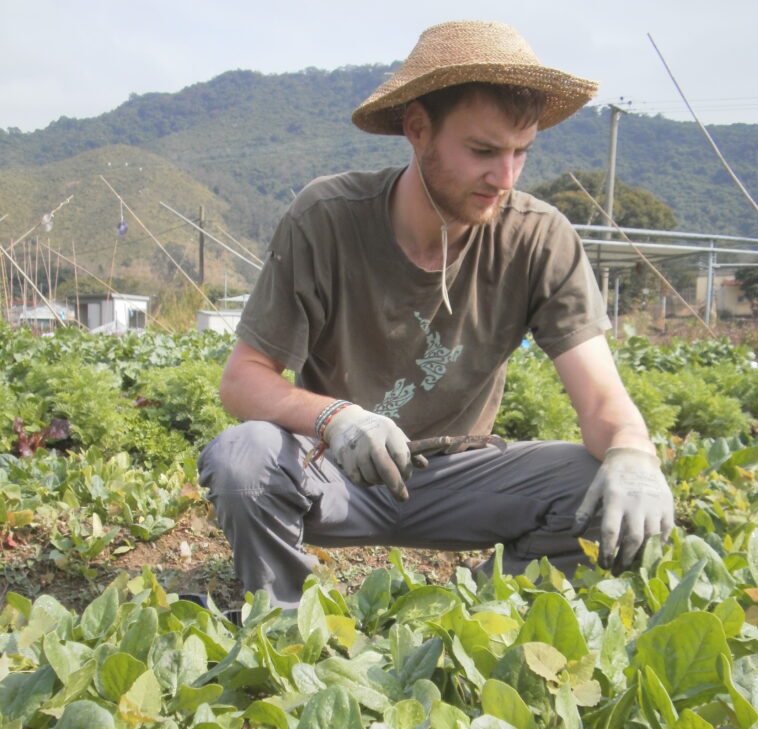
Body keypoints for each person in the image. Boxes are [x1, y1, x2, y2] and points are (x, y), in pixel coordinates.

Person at [198, 19, 674, 608]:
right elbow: (244, 378)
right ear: (418, 128)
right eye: (482, 151)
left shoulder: (538, 238)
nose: (504, 177)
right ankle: (287, 618)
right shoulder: (327, 218)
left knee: (595, 486)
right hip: (340, 470)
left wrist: (633, 452)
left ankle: (473, 612)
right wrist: (338, 418)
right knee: (243, 460)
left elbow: (601, 400)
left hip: (461, 474)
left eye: (519, 153)